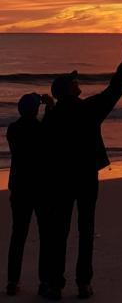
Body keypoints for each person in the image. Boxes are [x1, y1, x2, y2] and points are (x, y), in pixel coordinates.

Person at [43, 35, 122, 300]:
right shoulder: (88, 110)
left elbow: (44, 149)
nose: (77, 82)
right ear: (70, 90)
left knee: (60, 231)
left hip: (61, 180)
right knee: (85, 229)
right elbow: (115, 90)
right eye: (74, 81)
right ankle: (83, 283)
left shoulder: (54, 117)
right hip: (86, 177)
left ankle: (55, 284)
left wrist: (49, 110)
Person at [6, 92, 54, 296]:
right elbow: (51, 132)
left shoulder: (13, 129)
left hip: (19, 187)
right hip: (40, 188)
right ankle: (44, 281)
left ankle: (12, 280)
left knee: (18, 234)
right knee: (45, 235)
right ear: (35, 110)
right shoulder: (40, 129)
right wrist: (50, 108)